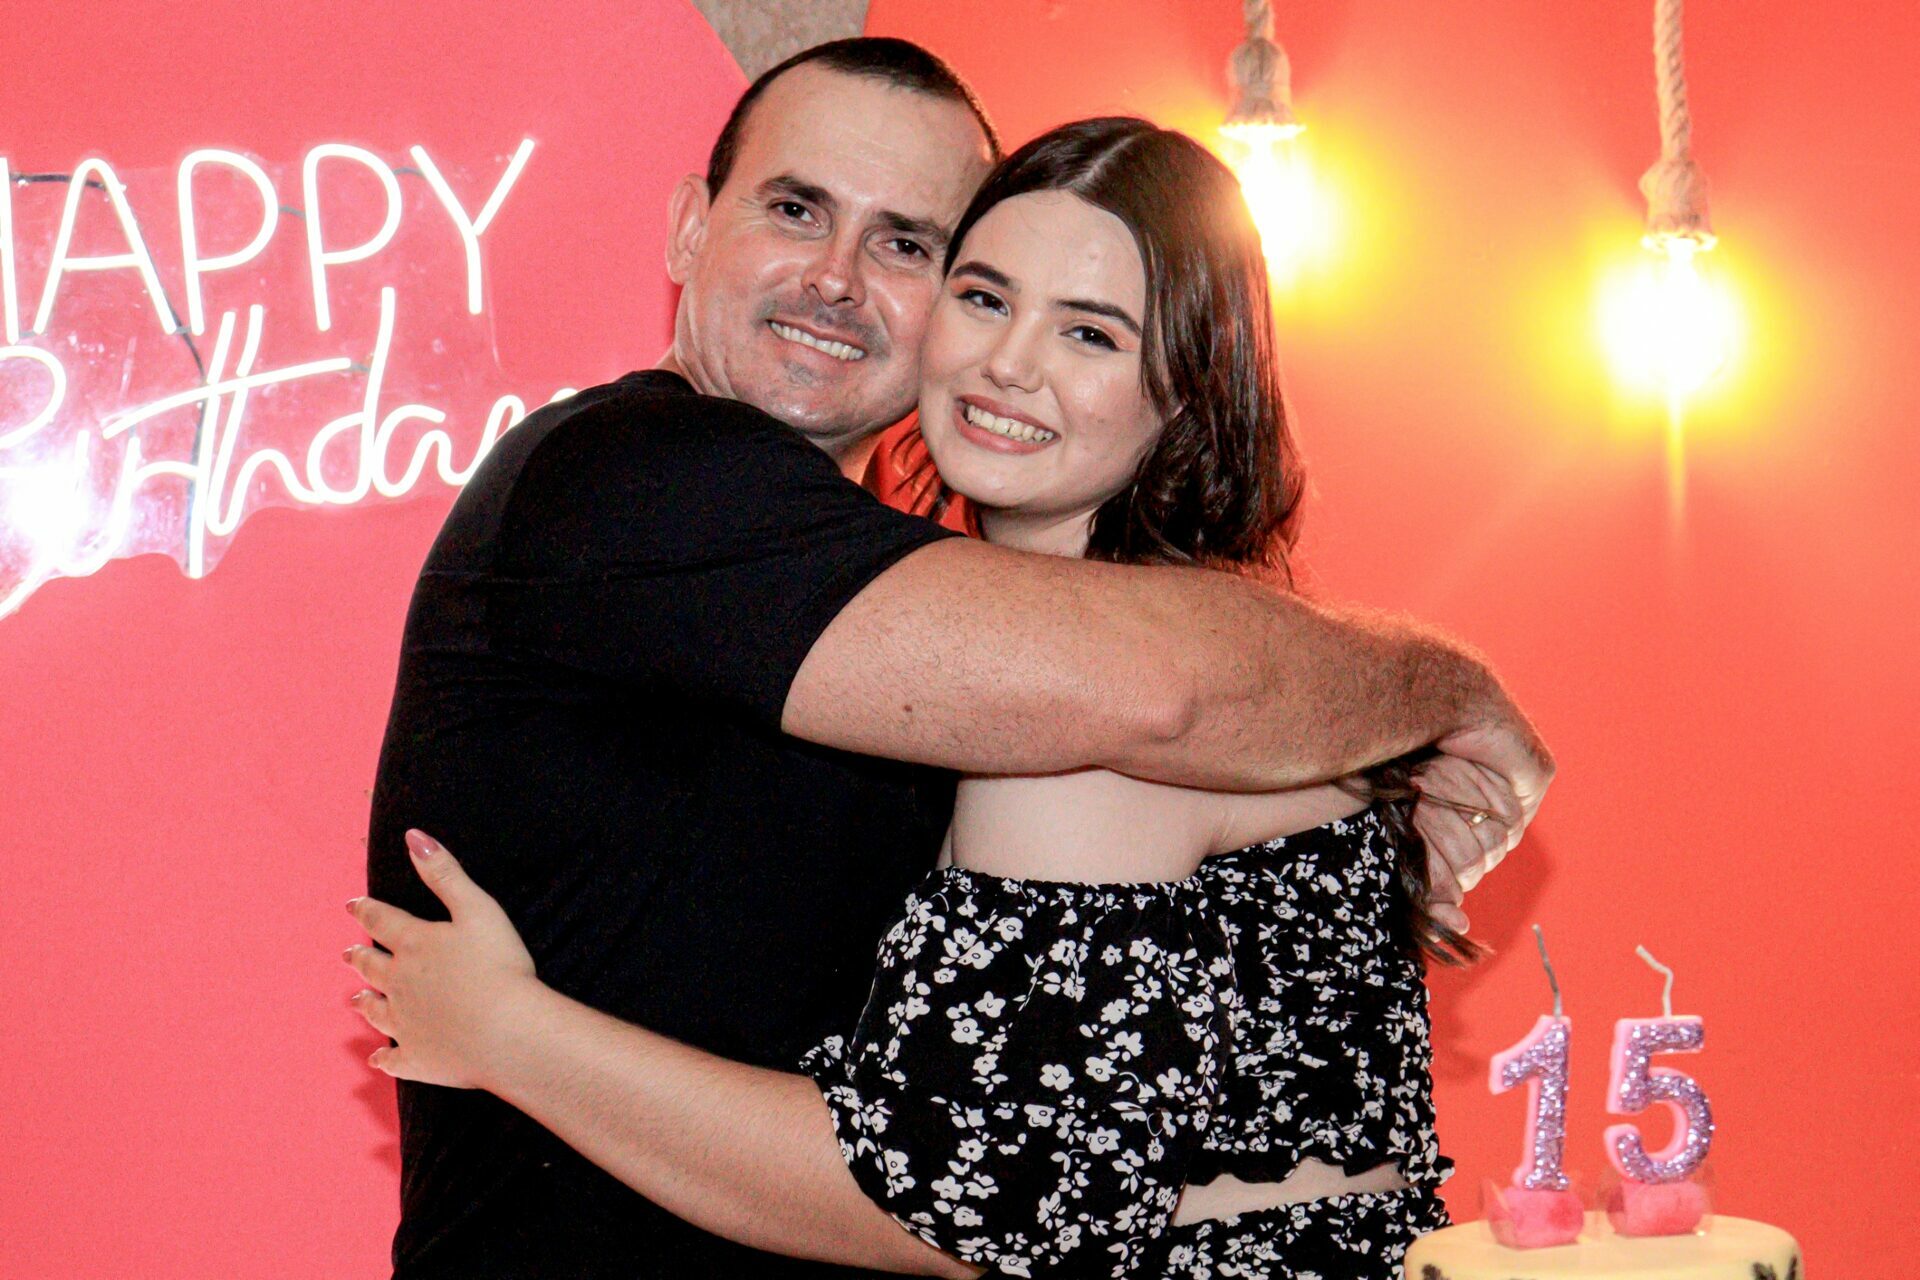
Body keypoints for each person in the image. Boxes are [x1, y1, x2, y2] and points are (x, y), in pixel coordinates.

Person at [359, 38, 1550, 1280]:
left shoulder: (1074, 702)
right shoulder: (639, 474)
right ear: (688, 228)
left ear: (1184, 393)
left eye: (906, 245)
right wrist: (1442, 693)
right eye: (796, 209)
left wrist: (512, 1032)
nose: (836, 277)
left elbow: (969, 1201)